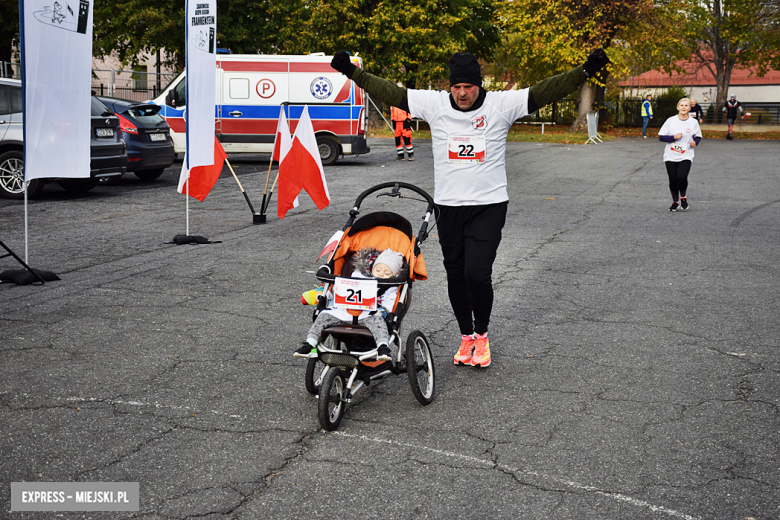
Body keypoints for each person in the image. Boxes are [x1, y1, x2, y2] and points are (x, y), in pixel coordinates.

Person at [330, 48, 610, 368]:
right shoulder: (435, 104)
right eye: (457, 87)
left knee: (477, 273)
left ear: (479, 85)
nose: (462, 93)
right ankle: (466, 337)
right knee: (456, 275)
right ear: (451, 86)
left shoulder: (501, 105)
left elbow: (547, 89)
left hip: (488, 205)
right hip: (448, 207)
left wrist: (585, 70)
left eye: (469, 86)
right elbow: (392, 91)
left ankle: (482, 334)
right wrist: (353, 73)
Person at [294, 247, 405, 361]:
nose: (381, 274)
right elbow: (343, 289)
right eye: (378, 270)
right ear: (372, 267)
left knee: (379, 323)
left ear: (393, 275)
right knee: (323, 316)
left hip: (368, 314)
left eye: (387, 273)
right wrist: (330, 296)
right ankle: (310, 344)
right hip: (344, 310)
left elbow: (389, 301)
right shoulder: (358, 275)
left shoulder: (391, 286)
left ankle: (382, 347)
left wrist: (383, 312)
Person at [658, 98, 702, 211]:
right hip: (670, 155)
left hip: (686, 154)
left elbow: (698, 136)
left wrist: (695, 142)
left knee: (681, 177)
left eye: (686, 105)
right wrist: (673, 137)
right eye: (681, 105)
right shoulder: (670, 121)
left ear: (689, 108)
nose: (683, 107)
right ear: (678, 107)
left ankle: (683, 196)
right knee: (673, 179)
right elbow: (661, 137)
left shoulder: (693, 122)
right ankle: (675, 201)